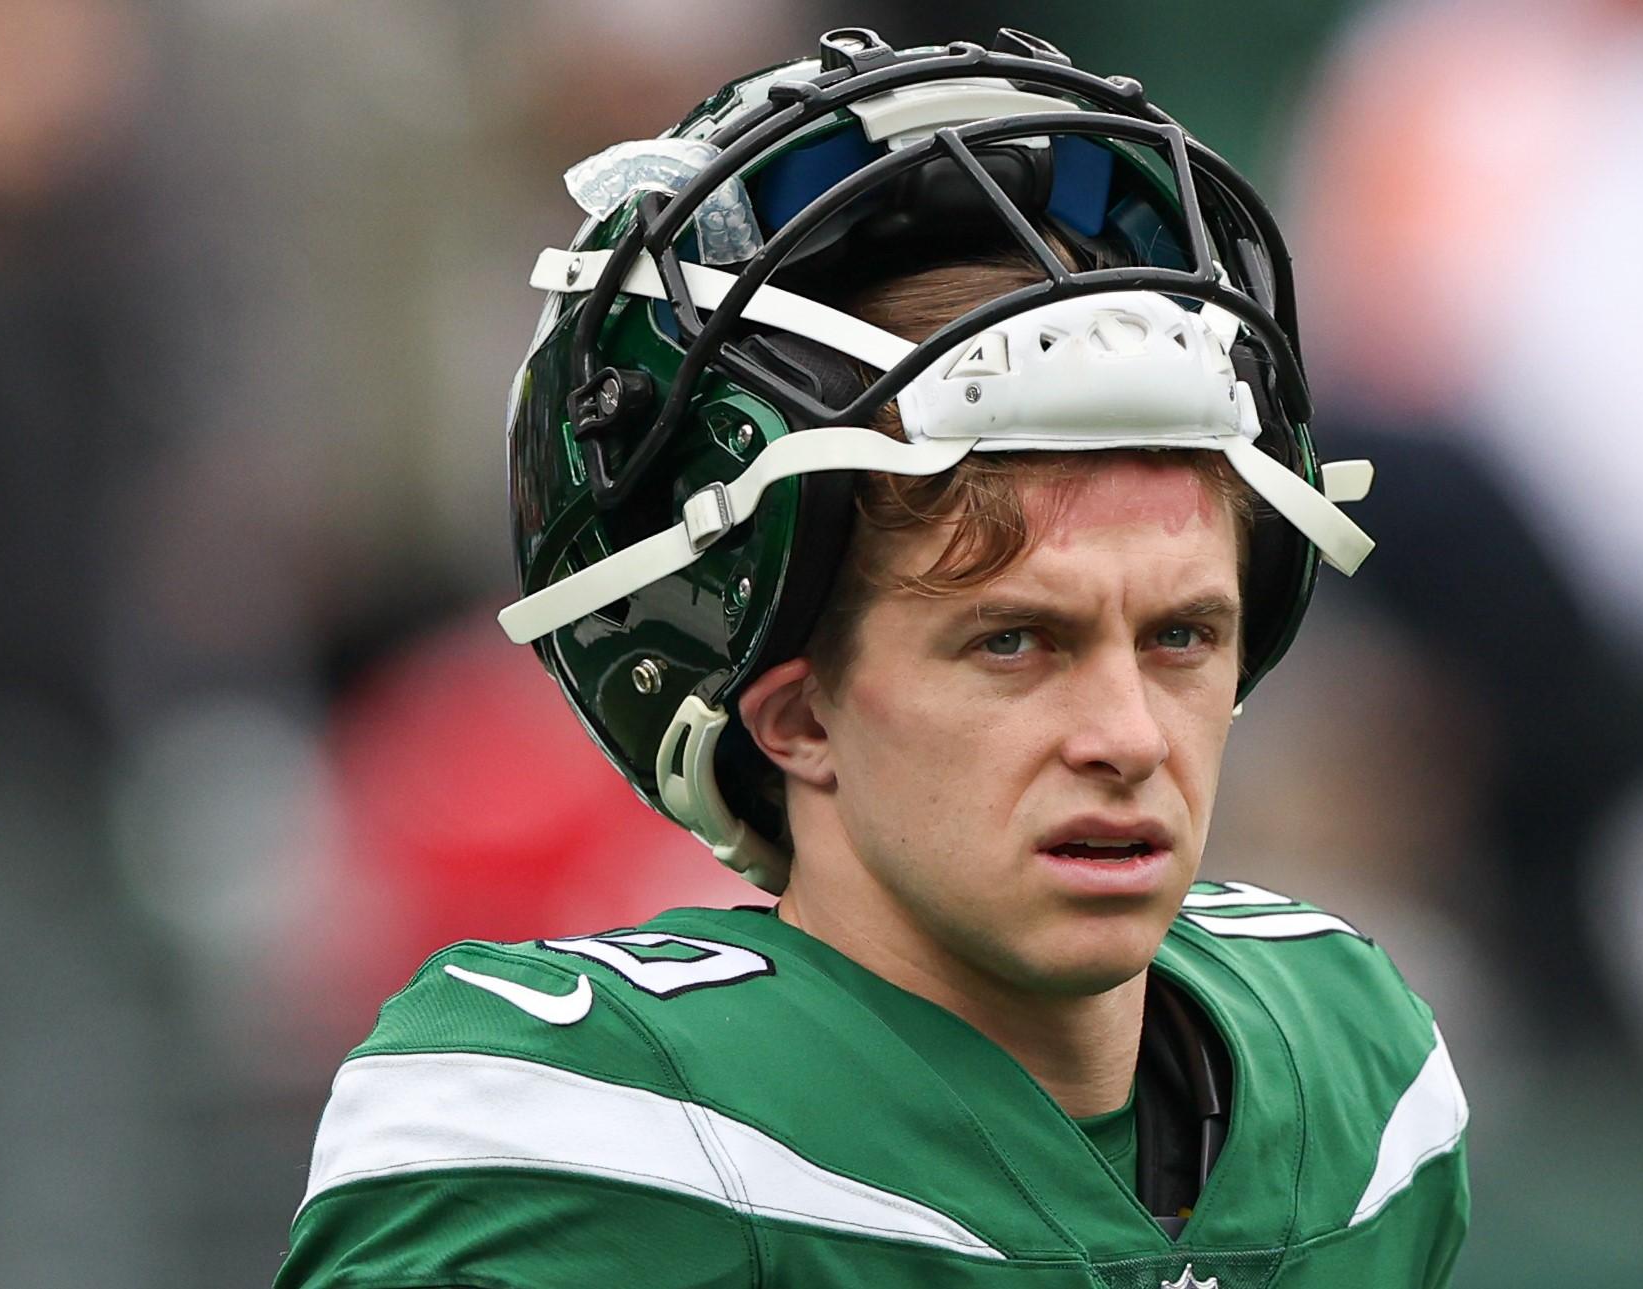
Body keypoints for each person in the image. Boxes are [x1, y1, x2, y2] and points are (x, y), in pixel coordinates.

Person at [277, 27, 1467, 1288]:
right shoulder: (595, 1141)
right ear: (791, 712)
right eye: (1013, 640)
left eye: (1180, 634)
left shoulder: (1361, 1085)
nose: (1128, 734)